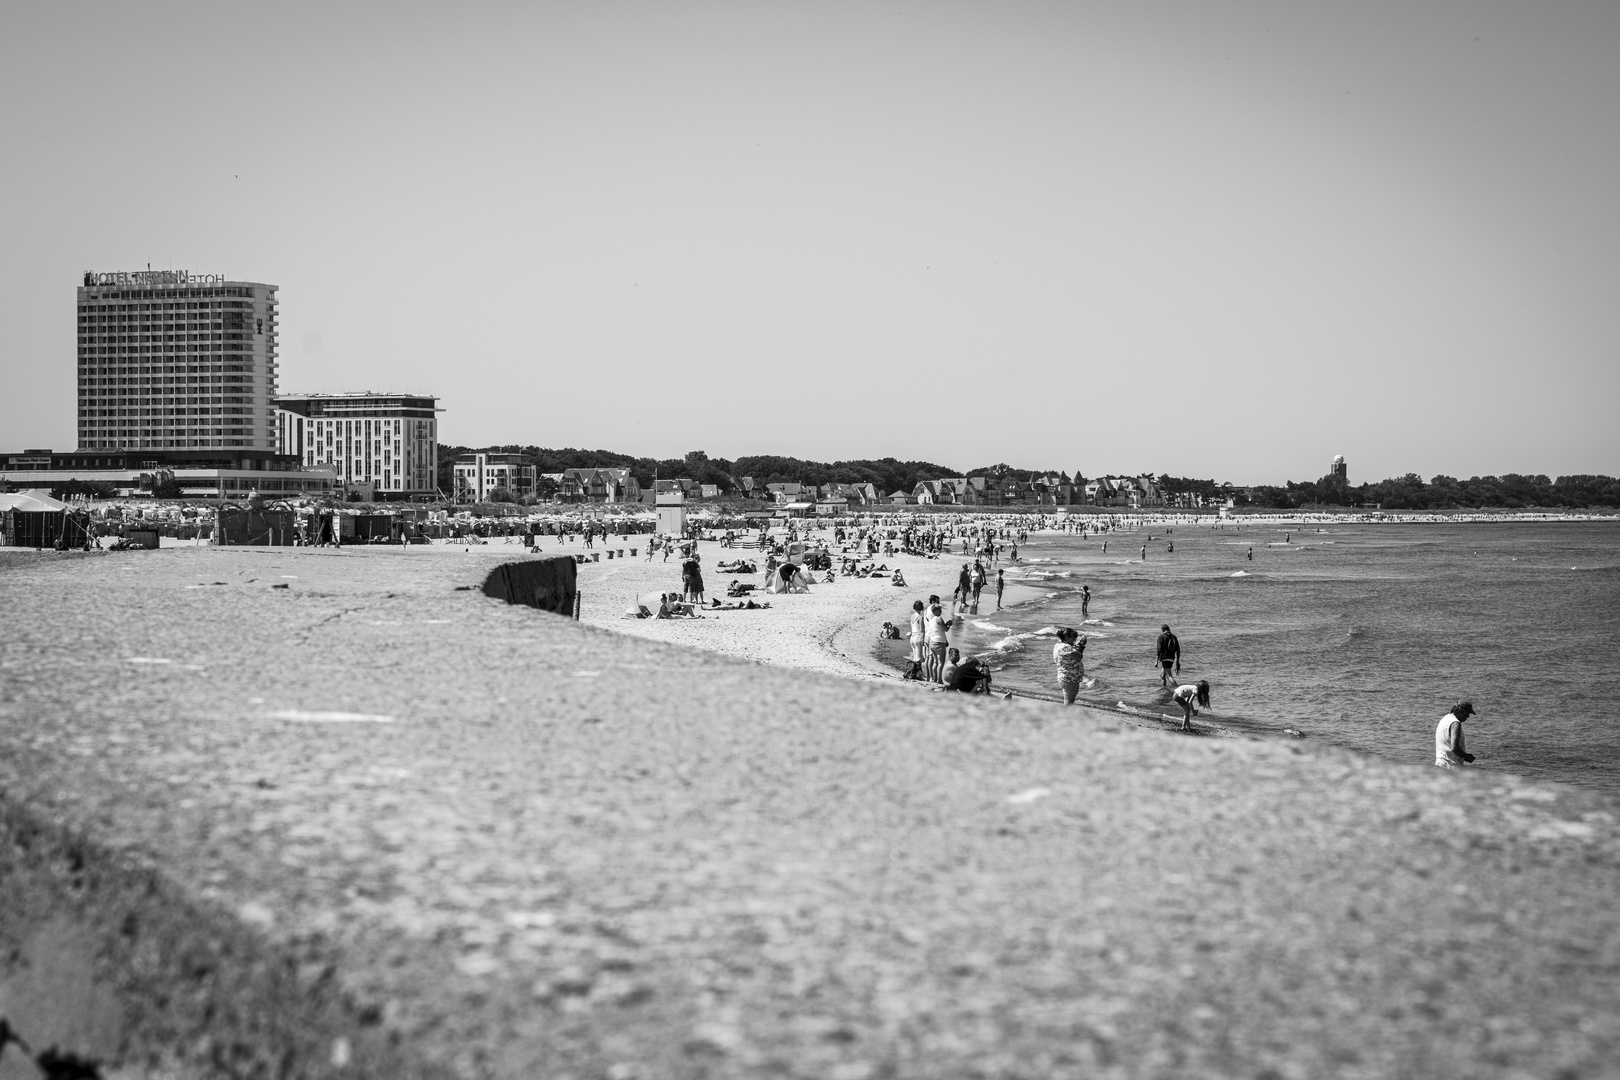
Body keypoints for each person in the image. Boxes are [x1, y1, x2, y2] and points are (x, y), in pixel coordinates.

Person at [1434, 701, 1477, 769]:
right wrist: (1466, 756)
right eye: (1468, 713)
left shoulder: (1445, 718)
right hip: (1450, 766)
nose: (1468, 716)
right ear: (1463, 711)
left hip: (1440, 763)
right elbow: (1454, 748)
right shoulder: (1455, 724)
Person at [1052, 627, 1086, 705]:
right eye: (1073, 639)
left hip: (1066, 676)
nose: (1074, 641)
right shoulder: (1065, 647)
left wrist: (1077, 645)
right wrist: (1081, 646)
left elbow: (1073, 653)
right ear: (1067, 637)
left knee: (1067, 700)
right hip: (1069, 678)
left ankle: (1064, 716)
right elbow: (1079, 656)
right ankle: (1064, 716)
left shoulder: (1059, 644)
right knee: (1069, 702)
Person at [926, 602, 951, 683]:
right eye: (939, 610)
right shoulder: (939, 618)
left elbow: (939, 627)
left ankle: (934, 678)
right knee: (940, 662)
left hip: (932, 642)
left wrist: (946, 624)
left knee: (935, 662)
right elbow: (945, 629)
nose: (941, 611)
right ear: (936, 611)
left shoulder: (931, 619)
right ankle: (939, 679)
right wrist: (949, 624)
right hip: (939, 642)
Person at [905, 600, 927, 680]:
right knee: (919, 658)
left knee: (915, 656)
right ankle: (916, 674)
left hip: (913, 636)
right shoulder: (920, 617)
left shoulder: (912, 616)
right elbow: (921, 630)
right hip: (918, 636)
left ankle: (913, 673)